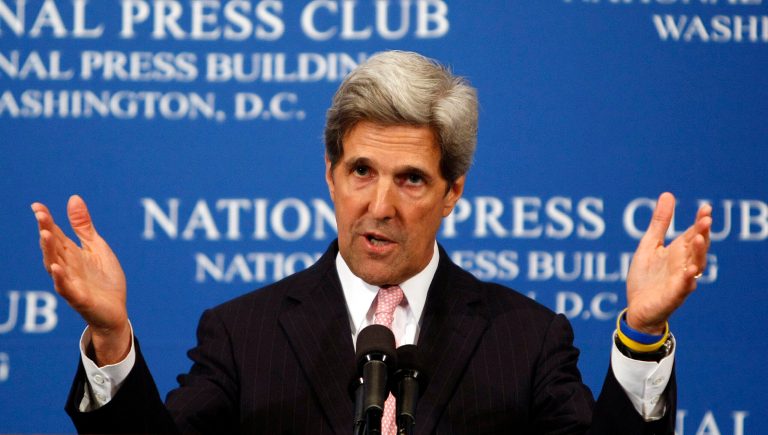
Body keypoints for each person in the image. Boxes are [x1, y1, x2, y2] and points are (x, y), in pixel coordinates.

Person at [32, 51, 712, 434]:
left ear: (452, 192)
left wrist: (642, 334)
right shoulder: (243, 335)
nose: (379, 206)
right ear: (330, 175)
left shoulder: (526, 337)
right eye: (361, 171)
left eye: (411, 179)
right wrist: (112, 339)